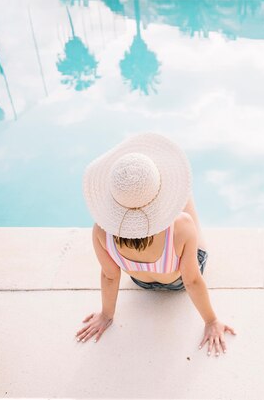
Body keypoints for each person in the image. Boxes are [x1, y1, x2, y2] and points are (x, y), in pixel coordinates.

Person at [75, 132, 236, 357]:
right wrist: (211, 320)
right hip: (177, 282)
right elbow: (191, 279)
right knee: (184, 193)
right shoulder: (180, 226)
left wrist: (106, 315)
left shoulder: (101, 230)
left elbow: (110, 276)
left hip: (141, 281)